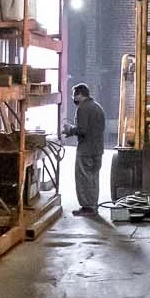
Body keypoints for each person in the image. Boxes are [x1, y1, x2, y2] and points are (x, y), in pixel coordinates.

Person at [60, 82, 106, 215]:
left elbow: (82, 130)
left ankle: (87, 207)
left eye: (74, 96)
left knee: (83, 178)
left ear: (80, 95)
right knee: (93, 178)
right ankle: (93, 205)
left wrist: (69, 129)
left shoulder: (83, 108)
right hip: (98, 149)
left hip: (86, 150)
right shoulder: (98, 107)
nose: (73, 99)